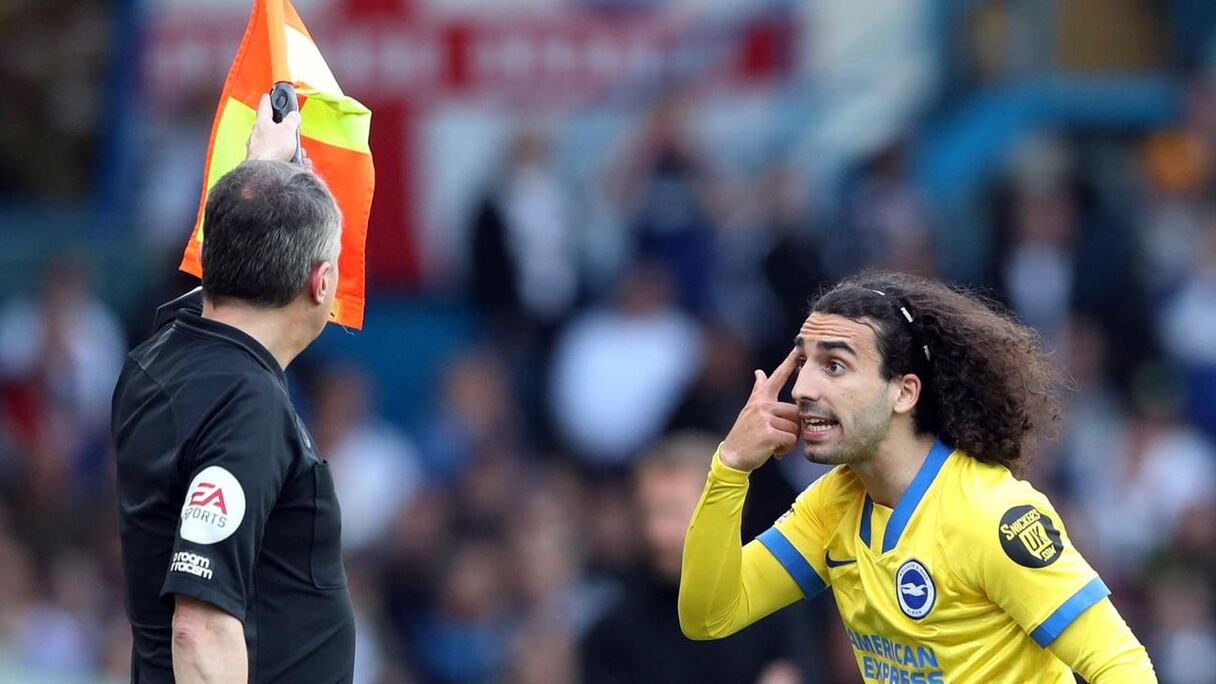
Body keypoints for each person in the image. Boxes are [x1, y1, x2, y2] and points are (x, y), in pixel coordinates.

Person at [678, 272, 1157, 682]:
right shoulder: (832, 505)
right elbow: (710, 615)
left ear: (904, 393)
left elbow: (1121, 665)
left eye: (835, 366)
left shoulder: (990, 515)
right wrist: (730, 467)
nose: (802, 388)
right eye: (804, 364)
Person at [111, 94, 354, 683]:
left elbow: (226, 271)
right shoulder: (247, 404)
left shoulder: (162, 353)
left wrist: (261, 166)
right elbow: (199, 629)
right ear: (321, 283)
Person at [583, 432, 814, 684]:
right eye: (647, 513)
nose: (657, 532)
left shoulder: (774, 609)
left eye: (672, 512)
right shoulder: (613, 629)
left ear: (728, 512)